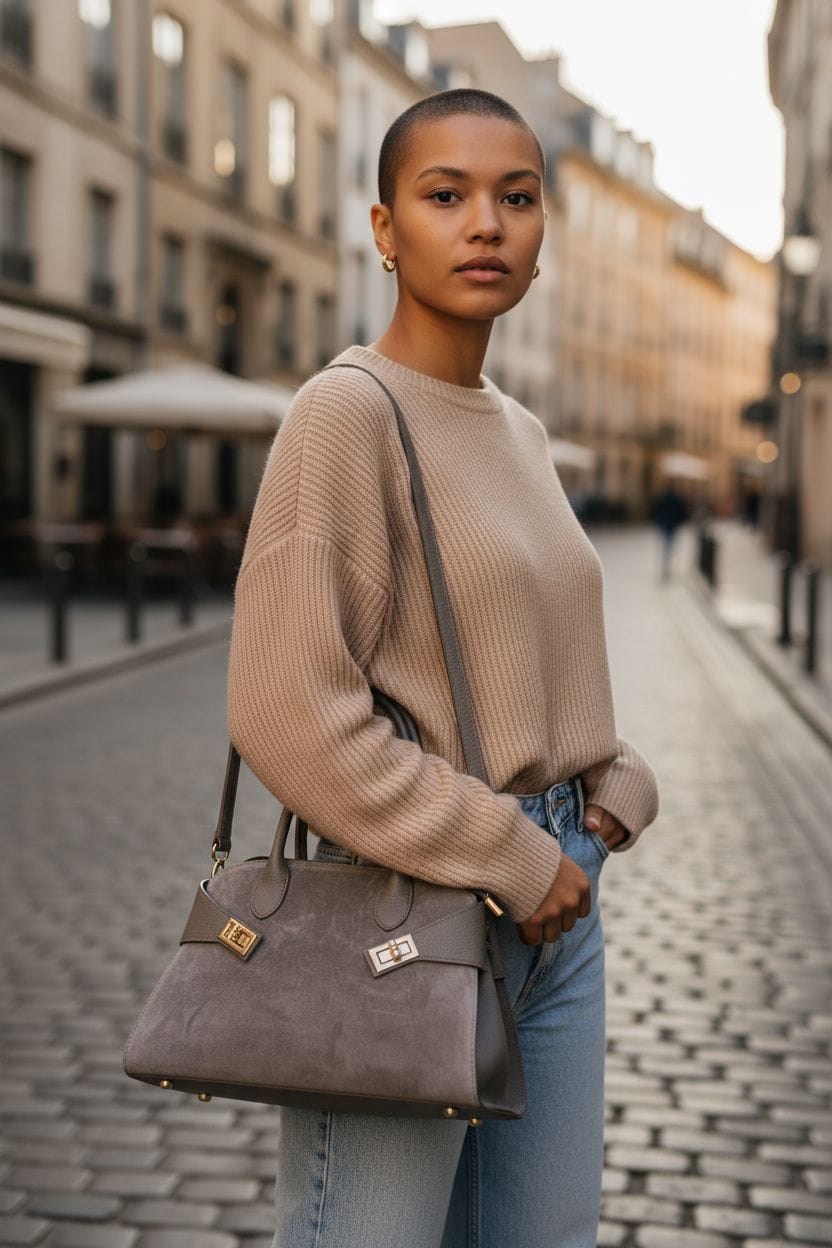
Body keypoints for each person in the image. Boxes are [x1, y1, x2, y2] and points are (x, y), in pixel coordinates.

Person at [227, 88, 659, 1248]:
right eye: (445, 195)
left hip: (561, 909)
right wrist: (508, 851)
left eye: (516, 198)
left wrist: (610, 790)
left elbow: (536, 656)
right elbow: (289, 712)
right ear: (382, 228)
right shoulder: (345, 414)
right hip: (407, 919)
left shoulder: (516, 432)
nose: (486, 224)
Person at [649, 479, 691, 581]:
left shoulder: (663, 497)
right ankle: (667, 563)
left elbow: (656, 509)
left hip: (665, 523)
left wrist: (658, 521)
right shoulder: (677, 498)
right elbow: (682, 511)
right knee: (670, 544)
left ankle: (665, 562)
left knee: (666, 544)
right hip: (673, 525)